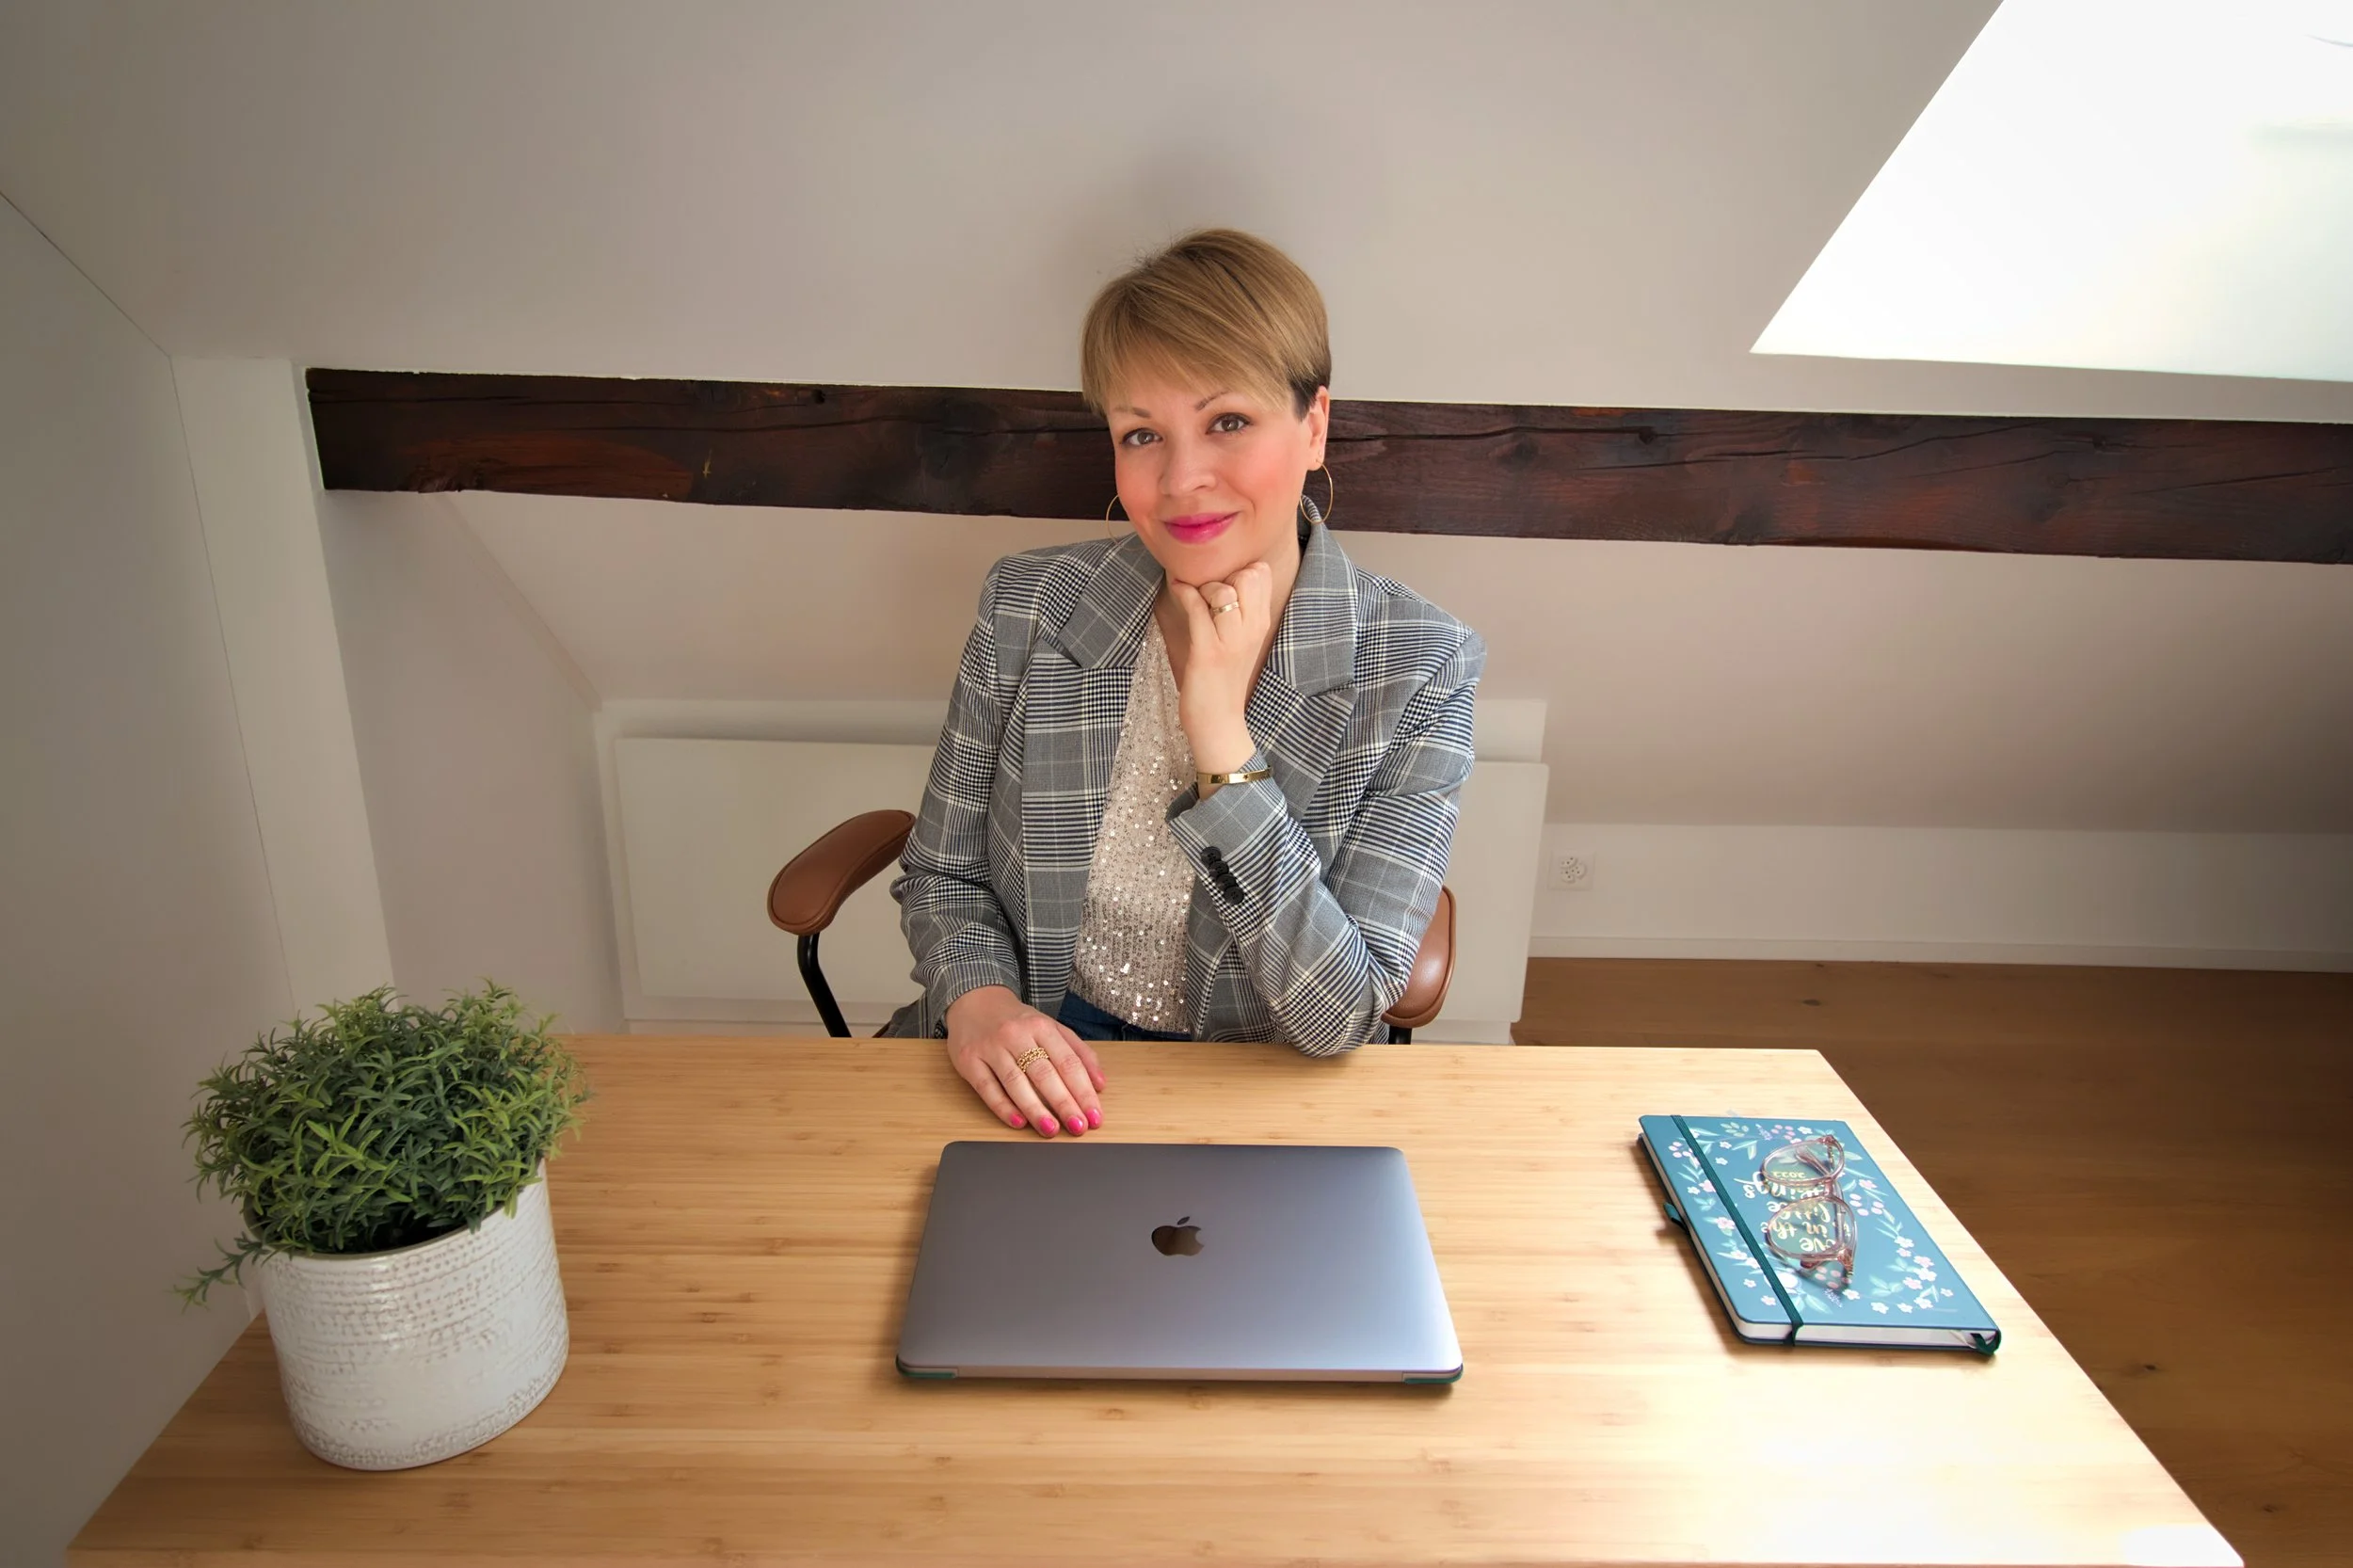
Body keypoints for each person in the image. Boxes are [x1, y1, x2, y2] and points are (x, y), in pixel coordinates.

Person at [886, 229, 1484, 1140]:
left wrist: (1219, 738)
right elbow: (945, 872)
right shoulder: (1030, 606)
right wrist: (979, 1000)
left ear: (1315, 423)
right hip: (1028, 1056)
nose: (1180, 480)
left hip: (1244, 1092)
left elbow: (1338, 1013)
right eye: (1140, 435)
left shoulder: (1419, 666)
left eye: (1227, 422)